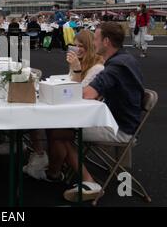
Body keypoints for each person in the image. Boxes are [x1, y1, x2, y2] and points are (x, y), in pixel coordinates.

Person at [45, 22, 144, 202]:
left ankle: (87, 181)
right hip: (122, 120)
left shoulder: (116, 66)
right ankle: (54, 171)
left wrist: (75, 72)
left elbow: (87, 93)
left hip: (119, 127)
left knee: (60, 132)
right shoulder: (126, 59)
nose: (94, 43)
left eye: (96, 39)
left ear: (106, 41)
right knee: (60, 129)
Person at [24, 30, 105, 180]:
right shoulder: (83, 63)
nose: (77, 49)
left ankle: (54, 171)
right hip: (77, 112)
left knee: (57, 132)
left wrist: (76, 68)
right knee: (52, 126)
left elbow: (77, 93)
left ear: (90, 47)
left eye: (82, 46)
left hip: (89, 116)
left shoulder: (97, 68)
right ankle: (53, 167)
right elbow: (70, 86)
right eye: (75, 45)